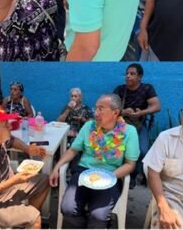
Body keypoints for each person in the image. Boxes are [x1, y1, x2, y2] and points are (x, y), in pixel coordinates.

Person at [49, 94, 140, 229]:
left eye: (101, 109)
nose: (95, 113)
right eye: (95, 108)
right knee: (67, 209)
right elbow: (72, 150)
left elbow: (130, 164)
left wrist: (109, 177)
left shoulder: (129, 132)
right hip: (83, 173)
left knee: (98, 216)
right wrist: (56, 167)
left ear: (115, 112)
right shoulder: (88, 126)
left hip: (111, 175)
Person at [144, 97, 183, 228]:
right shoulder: (166, 138)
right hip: (175, 199)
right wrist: (164, 208)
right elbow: (153, 172)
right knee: (166, 225)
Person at [113, 63, 161, 188]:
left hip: (138, 125)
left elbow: (156, 106)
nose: (128, 76)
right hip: (120, 126)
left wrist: (141, 113)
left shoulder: (147, 89)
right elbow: (111, 107)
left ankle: (133, 176)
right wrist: (123, 112)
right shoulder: (120, 89)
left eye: (132, 74)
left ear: (140, 76)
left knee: (142, 151)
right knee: (116, 150)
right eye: (127, 74)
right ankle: (117, 175)